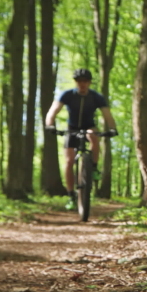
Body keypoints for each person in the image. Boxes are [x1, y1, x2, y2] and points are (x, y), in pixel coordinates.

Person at [44, 68, 117, 209]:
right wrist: (50, 125)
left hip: (89, 125)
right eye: (79, 81)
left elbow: (107, 115)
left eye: (85, 81)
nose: (82, 84)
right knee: (69, 161)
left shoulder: (96, 97)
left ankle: (94, 168)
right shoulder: (67, 95)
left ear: (89, 83)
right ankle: (71, 195)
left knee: (93, 135)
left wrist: (112, 129)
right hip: (72, 128)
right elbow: (52, 111)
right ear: (76, 82)